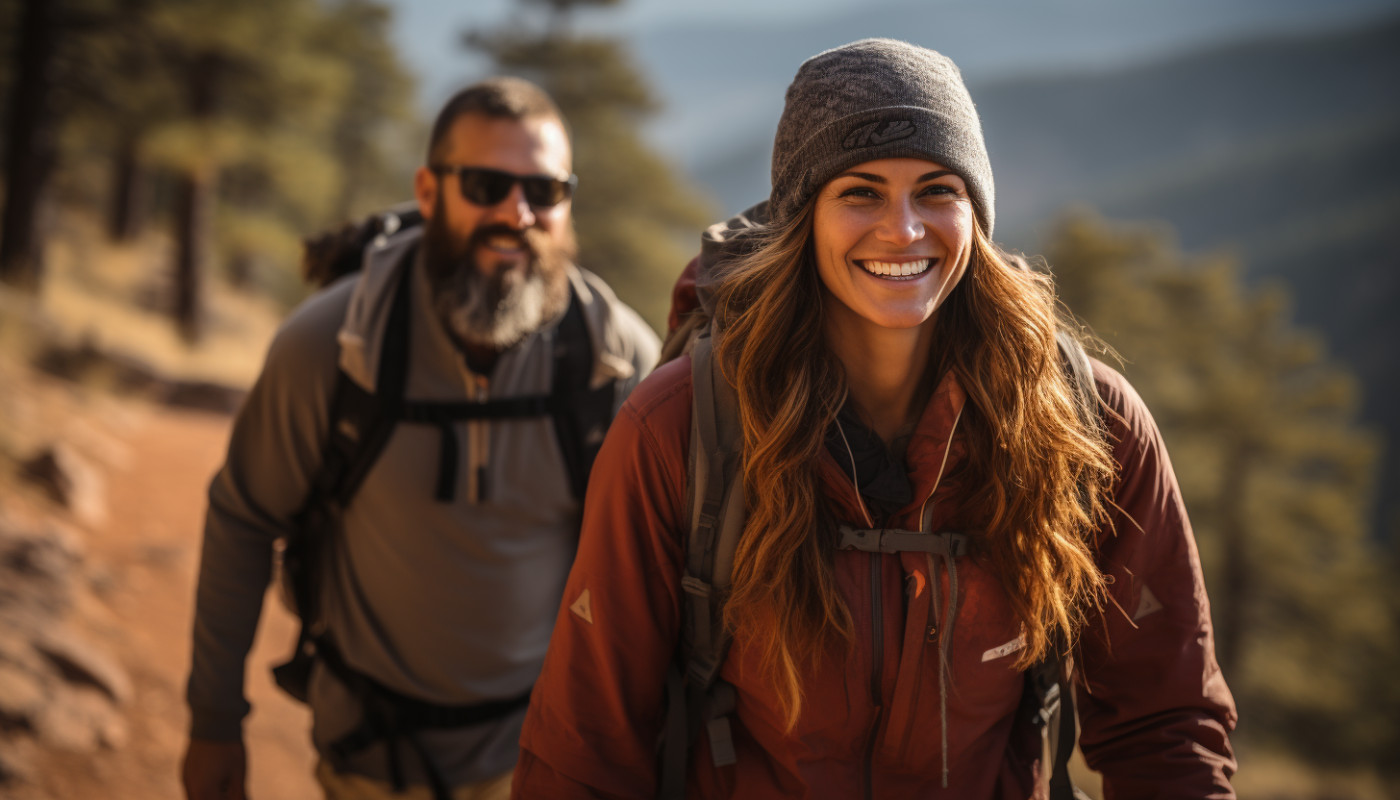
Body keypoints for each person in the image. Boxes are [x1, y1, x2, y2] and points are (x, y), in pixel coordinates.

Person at [512, 39, 1237, 798]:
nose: (903, 229)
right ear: (803, 217)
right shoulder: (681, 428)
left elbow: (1167, 727)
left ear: (977, 214)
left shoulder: (1087, 423)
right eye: (860, 192)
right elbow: (584, 750)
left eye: (936, 190)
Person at [181, 77, 660, 800]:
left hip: (549, 758)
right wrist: (214, 721)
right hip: (372, 758)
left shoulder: (612, 359)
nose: (517, 213)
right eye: (487, 184)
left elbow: (658, 573)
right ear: (429, 193)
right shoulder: (335, 349)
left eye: (545, 190)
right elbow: (244, 519)